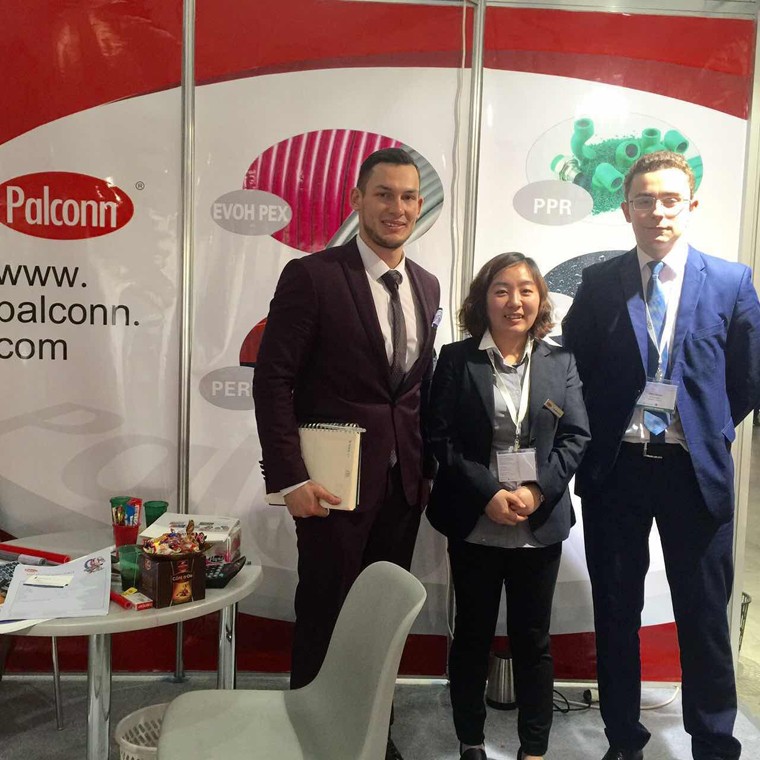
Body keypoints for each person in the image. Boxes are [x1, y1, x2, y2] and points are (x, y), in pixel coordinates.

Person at [562, 151, 760, 760]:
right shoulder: (599, 284)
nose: (657, 211)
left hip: (693, 473)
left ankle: (714, 742)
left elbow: (747, 378)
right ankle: (624, 739)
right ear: (626, 210)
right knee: (616, 613)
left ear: (691, 205)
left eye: (670, 199)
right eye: (644, 200)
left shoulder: (731, 282)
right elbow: (575, 373)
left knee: (704, 617)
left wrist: (705, 428)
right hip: (617, 471)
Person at [253, 147, 440, 760]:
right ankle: (313, 739)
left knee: (381, 622)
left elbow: (413, 390)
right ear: (357, 200)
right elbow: (273, 380)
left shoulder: (427, 285)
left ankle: (371, 735)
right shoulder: (312, 276)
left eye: (408, 197)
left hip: (403, 488)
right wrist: (290, 479)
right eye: (383, 194)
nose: (397, 208)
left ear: (420, 206)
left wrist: (427, 471)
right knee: (326, 613)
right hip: (330, 487)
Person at [426, 253, 590, 760]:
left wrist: (537, 491)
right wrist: (488, 494)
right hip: (475, 521)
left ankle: (533, 748)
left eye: (525, 290)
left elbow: (575, 437)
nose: (514, 301)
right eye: (501, 289)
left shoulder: (560, 361)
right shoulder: (457, 359)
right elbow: (441, 437)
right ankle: (470, 741)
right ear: (484, 299)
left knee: (533, 641)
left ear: (540, 299)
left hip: (537, 524)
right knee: (472, 636)